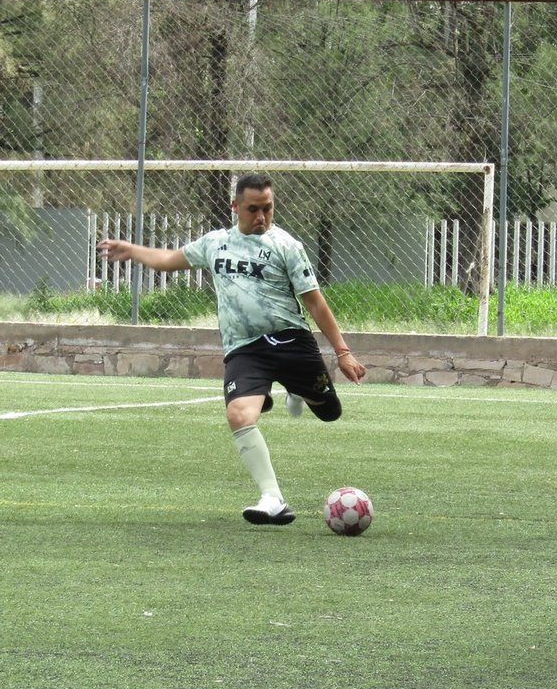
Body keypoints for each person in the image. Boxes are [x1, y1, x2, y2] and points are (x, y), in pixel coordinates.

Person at [98, 172, 366, 525]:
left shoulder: (286, 246)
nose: (261, 217)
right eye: (253, 209)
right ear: (235, 206)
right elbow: (170, 259)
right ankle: (273, 498)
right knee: (239, 414)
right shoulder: (216, 243)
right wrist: (133, 250)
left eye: (267, 209)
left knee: (330, 411)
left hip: (291, 341)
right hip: (246, 349)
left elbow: (315, 302)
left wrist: (342, 352)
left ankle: (296, 391)